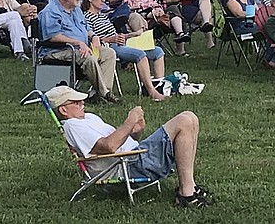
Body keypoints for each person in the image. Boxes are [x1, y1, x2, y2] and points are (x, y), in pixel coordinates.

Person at [47, 85, 213, 208]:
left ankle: (189, 186)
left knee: (190, 119)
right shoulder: (72, 126)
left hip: (135, 155)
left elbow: (118, 141)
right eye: (76, 102)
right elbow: (108, 147)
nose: (82, 102)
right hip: (129, 165)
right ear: (63, 110)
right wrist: (129, 121)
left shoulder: (88, 118)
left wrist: (135, 131)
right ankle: (186, 194)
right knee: (186, 120)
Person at [39, 0, 119, 104]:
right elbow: (53, 36)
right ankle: (105, 94)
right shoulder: (51, 11)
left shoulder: (75, 9)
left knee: (109, 53)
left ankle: (99, 94)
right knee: (88, 57)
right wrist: (78, 43)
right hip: (57, 50)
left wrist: (93, 36)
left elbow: (86, 28)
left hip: (80, 48)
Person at [82, 0, 166, 101]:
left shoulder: (103, 16)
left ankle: (158, 86)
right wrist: (111, 39)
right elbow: (92, 40)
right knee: (140, 55)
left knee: (157, 51)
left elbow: (114, 33)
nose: (103, 0)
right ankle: (151, 91)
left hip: (121, 42)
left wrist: (129, 35)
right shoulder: (86, 17)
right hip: (109, 47)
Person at [121, 0, 190, 47]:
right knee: (170, 15)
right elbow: (130, 10)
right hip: (144, 22)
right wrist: (150, 11)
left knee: (173, 9)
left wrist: (158, 10)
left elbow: (154, 4)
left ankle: (180, 33)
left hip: (156, 19)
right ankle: (179, 32)